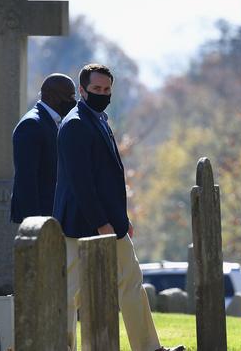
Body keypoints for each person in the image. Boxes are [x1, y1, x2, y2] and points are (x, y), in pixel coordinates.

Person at [53, 63, 184, 351]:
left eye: (107, 89)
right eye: (96, 89)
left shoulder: (98, 119)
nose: (102, 93)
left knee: (132, 282)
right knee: (68, 294)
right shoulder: (75, 124)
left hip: (111, 224)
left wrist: (120, 220)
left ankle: (149, 348)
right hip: (80, 224)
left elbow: (109, 177)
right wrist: (102, 222)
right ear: (82, 90)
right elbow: (81, 183)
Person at [10, 73, 76, 224]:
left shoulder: (54, 121)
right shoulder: (31, 124)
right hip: (38, 219)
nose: (73, 102)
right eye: (70, 96)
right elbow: (26, 179)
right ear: (52, 97)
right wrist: (34, 223)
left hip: (52, 215)